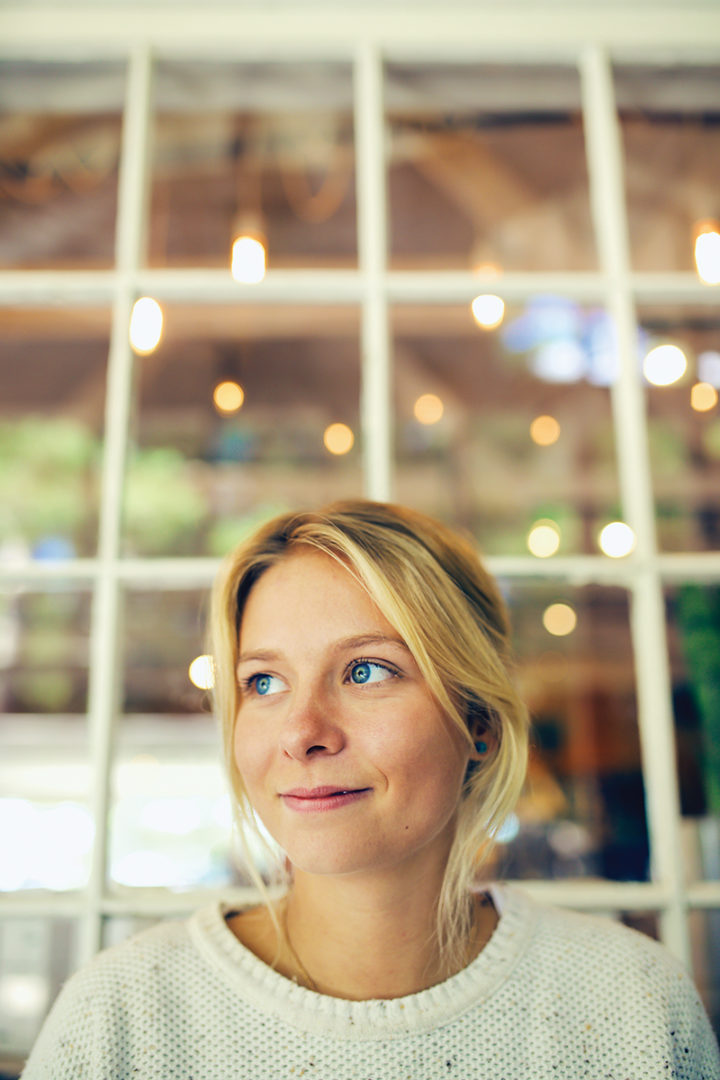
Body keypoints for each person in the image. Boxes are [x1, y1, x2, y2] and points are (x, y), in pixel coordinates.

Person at [22, 500, 720, 1078]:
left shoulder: (631, 1006)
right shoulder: (124, 1019)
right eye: (263, 682)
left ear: (476, 721)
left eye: (365, 672)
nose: (301, 732)